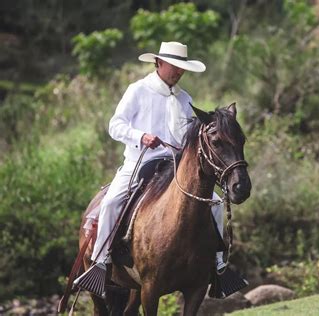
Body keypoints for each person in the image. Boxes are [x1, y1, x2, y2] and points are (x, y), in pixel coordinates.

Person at [75, 41, 226, 293]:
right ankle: (101, 263)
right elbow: (115, 125)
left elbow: (187, 139)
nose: (178, 72)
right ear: (159, 63)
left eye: (182, 68)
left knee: (217, 203)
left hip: (175, 167)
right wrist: (141, 136)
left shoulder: (185, 98)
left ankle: (219, 264)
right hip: (139, 162)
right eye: (174, 66)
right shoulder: (138, 90)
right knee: (112, 202)